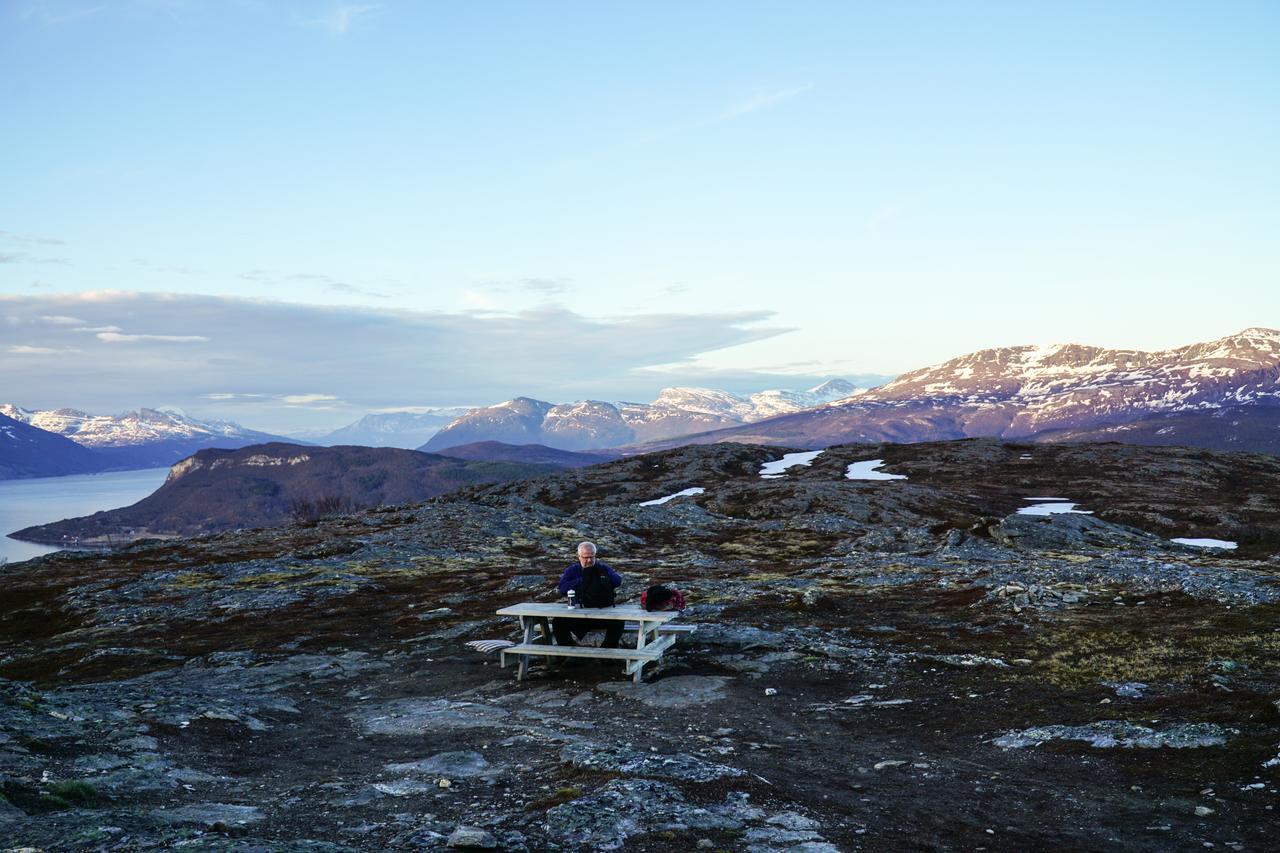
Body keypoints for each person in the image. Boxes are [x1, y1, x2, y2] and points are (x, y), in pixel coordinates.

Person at [553, 541, 623, 648]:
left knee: (618, 622)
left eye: (592, 557)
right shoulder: (573, 570)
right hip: (579, 616)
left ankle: (606, 652)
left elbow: (618, 581)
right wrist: (583, 580)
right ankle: (568, 652)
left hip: (602, 614)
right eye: (585, 557)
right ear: (579, 556)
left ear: (595, 556)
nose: (589, 560)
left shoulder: (603, 568)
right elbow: (562, 589)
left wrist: (600, 578)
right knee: (558, 622)